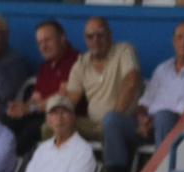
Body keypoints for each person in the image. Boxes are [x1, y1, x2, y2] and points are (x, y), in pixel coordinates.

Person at [108, 20, 184, 172]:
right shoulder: (163, 68)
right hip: (150, 124)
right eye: (179, 37)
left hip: (177, 123)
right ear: (173, 41)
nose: (183, 42)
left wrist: (156, 119)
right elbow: (145, 102)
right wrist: (142, 118)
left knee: (164, 116)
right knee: (112, 119)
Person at [58, 17, 139, 148]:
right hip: (93, 124)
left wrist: (113, 118)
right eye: (90, 36)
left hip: (124, 122)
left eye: (100, 35)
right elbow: (72, 98)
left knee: (110, 125)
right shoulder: (80, 63)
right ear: (85, 40)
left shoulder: (124, 50)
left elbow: (131, 82)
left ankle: (111, 169)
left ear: (110, 35)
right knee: (51, 126)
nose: (95, 40)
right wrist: (58, 108)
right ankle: (56, 167)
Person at [4, 20, 80, 155]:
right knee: (5, 123)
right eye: (40, 43)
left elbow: (62, 95)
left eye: (48, 40)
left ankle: (17, 170)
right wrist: (21, 107)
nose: (43, 46)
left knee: (27, 134)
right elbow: (35, 98)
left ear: (62, 38)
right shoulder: (45, 66)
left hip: (62, 115)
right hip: (40, 114)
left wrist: (30, 108)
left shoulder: (75, 60)